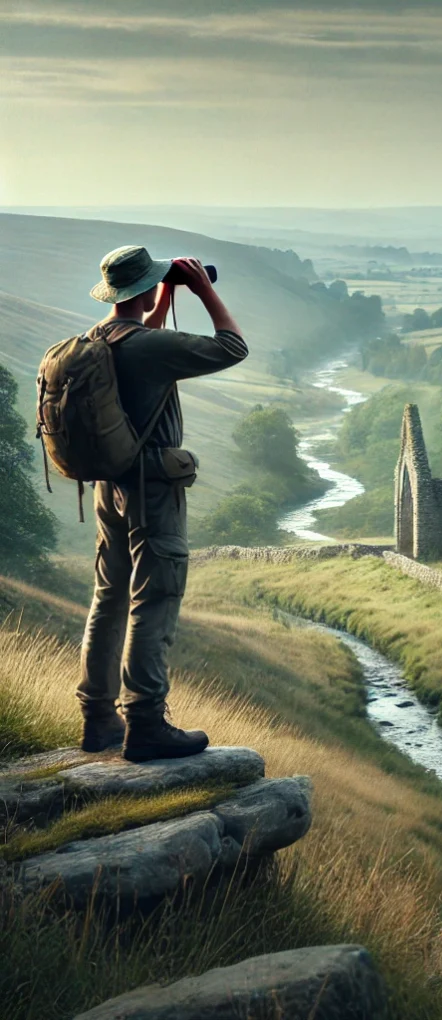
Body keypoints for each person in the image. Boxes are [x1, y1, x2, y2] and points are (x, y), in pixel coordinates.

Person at [77, 245, 248, 761]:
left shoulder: (98, 338)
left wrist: (164, 289)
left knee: (108, 599)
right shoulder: (149, 348)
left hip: (110, 485)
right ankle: (146, 724)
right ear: (144, 288)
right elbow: (233, 346)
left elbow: (141, 334)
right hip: (153, 489)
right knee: (154, 599)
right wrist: (204, 290)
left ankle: (98, 719)